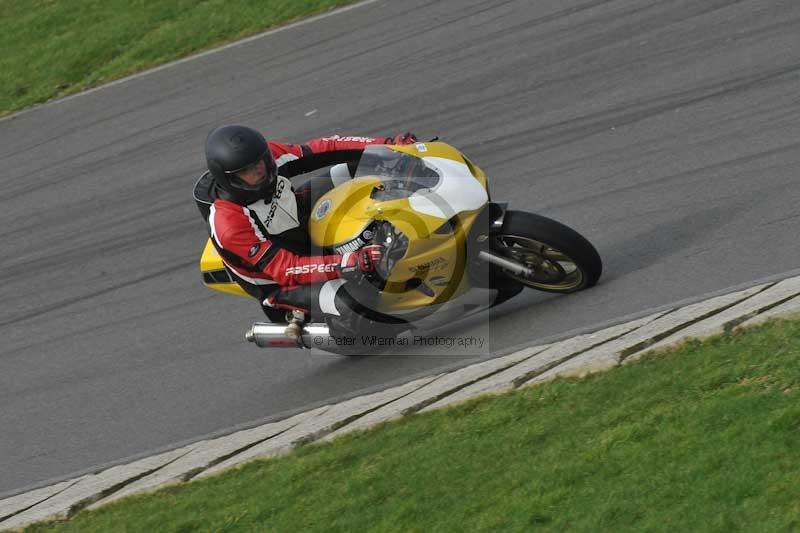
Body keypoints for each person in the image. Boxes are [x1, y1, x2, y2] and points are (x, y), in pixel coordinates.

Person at [194, 124, 417, 329]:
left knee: (367, 165)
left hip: (298, 216)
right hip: (281, 284)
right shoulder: (230, 223)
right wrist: (349, 262)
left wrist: (387, 145)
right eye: (247, 171)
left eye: (259, 162)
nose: (259, 171)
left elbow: (324, 148)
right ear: (229, 179)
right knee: (359, 307)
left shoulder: (268, 158)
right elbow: (287, 269)